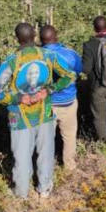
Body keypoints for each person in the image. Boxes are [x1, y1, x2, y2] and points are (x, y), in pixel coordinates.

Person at [0, 23, 76, 199]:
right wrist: (49, 90)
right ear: (35, 36)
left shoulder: (11, 62)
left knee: (21, 155)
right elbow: (70, 75)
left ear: (17, 38)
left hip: (20, 116)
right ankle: (44, 189)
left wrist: (17, 98)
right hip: (44, 112)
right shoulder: (48, 55)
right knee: (45, 152)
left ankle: (21, 193)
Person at [40, 25, 83, 172]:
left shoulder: (37, 56)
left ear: (41, 40)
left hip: (46, 103)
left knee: (46, 138)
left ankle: (46, 168)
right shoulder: (70, 53)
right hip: (68, 102)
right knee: (69, 136)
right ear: (56, 37)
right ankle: (69, 166)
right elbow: (78, 70)